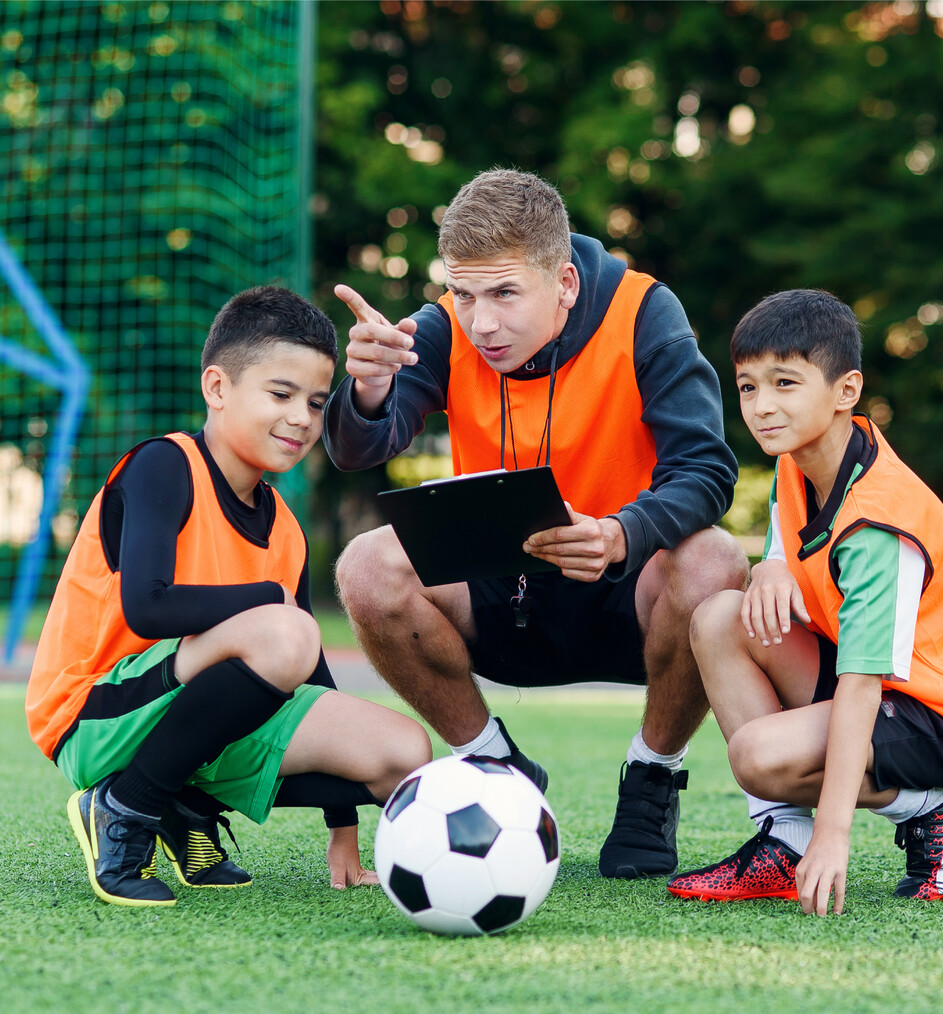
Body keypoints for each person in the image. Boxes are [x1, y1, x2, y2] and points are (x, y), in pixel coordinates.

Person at [324, 168, 747, 879]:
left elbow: (707, 470)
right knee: (366, 566)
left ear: (565, 284)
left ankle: (651, 777)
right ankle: (492, 764)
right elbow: (360, 447)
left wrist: (620, 534)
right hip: (500, 596)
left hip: (626, 591)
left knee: (716, 560)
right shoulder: (442, 326)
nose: (480, 321)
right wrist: (367, 389)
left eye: (504, 294)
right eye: (463, 293)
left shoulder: (645, 312)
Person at [26, 286, 432, 908]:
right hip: (97, 715)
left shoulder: (286, 529)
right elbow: (148, 608)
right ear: (217, 388)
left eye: (318, 402)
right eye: (281, 393)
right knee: (284, 630)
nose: (302, 416)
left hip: (197, 715)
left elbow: (312, 680)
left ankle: (183, 801)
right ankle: (125, 807)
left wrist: (343, 832)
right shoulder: (163, 465)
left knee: (403, 751)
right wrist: (269, 599)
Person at [667, 289, 943, 915]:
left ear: (845, 390)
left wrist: (835, 835)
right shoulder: (801, 455)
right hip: (891, 692)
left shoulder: (878, 524)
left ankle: (937, 802)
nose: (763, 407)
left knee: (758, 756)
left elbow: (861, 685)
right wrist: (770, 564)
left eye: (785, 383)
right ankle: (783, 840)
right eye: (748, 387)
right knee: (719, 617)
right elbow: (785, 531)